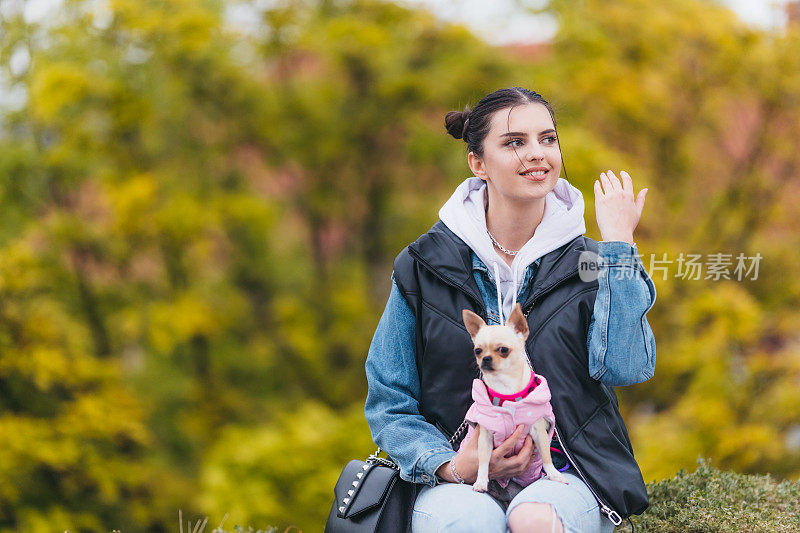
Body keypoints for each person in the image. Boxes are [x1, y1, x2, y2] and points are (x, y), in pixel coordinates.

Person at [364, 87, 657, 533]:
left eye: (548, 139)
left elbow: (627, 368)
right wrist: (449, 465)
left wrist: (619, 246)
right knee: (468, 521)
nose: (537, 154)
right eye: (514, 142)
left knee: (534, 519)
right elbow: (389, 400)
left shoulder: (593, 262)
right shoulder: (422, 266)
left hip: (566, 474)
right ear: (477, 163)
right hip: (458, 481)